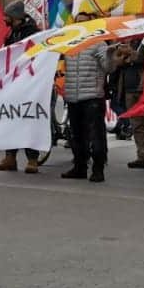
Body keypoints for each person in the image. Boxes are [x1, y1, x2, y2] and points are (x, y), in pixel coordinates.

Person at [0, 0, 44, 174]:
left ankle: (32, 159)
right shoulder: (11, 34)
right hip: (13, 84)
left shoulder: (32, 34)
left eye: (7, 16)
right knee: (11, 120)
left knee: (29, 120)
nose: (4, 19)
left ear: (15, 17)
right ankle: (10, 157)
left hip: (29, 84)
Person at [61, 13, 112, 182]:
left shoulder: (98, 43)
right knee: (77, 135)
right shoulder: (69, 44)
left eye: (84, 23)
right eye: (78, 23)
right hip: (73, 98)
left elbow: (108, 67)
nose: (81, 25)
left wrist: (113, 55)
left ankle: (98, 169)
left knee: (96, 135)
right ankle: (80, 167)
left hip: (92, 98)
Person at [111, 41, 144, 170]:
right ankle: (142, 156)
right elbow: (116, 62)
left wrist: (128, 55)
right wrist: (126, 57)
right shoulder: (123, 44)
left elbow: (142, 59)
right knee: (137, 125)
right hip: (128, 88)